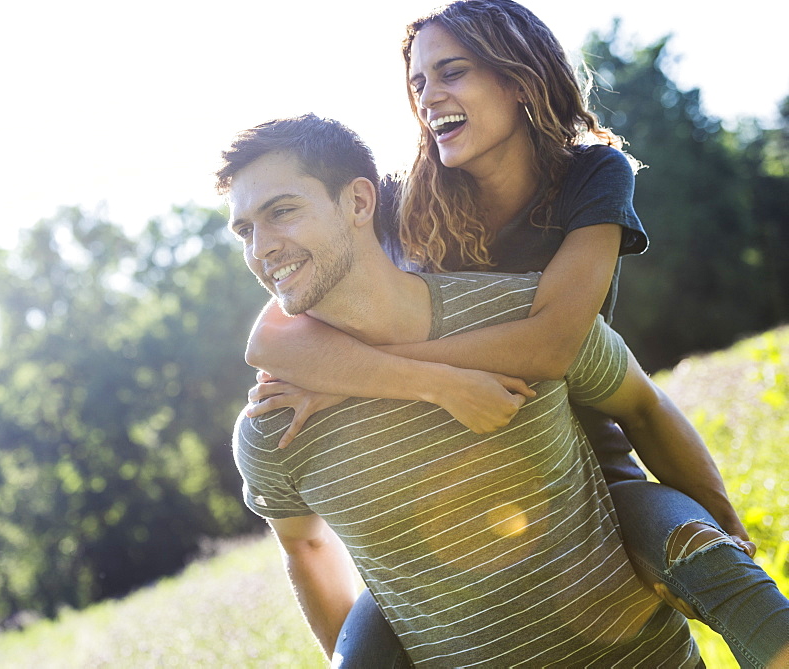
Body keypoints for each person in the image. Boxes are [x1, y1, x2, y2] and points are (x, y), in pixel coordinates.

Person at [240, 1, 789, 666]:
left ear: (517, 76)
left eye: (452, 72)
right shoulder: (405, 192)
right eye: (417, 82)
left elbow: (554, 343)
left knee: (714, 558)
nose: (428, 96)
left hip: (588, 454)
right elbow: (270, 336)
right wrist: (387, 380)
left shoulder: (590, 173)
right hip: (446, 492)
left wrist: (363, 373)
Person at [218, 113, 709, 666]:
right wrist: (426, 383)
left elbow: (576, 360)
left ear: (359, 204)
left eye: (281, 212)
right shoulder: (277, 420)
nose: (261, 248)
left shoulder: (580, 200)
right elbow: (303, 544)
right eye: (244, 230)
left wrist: (729, 535)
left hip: (606, 497)